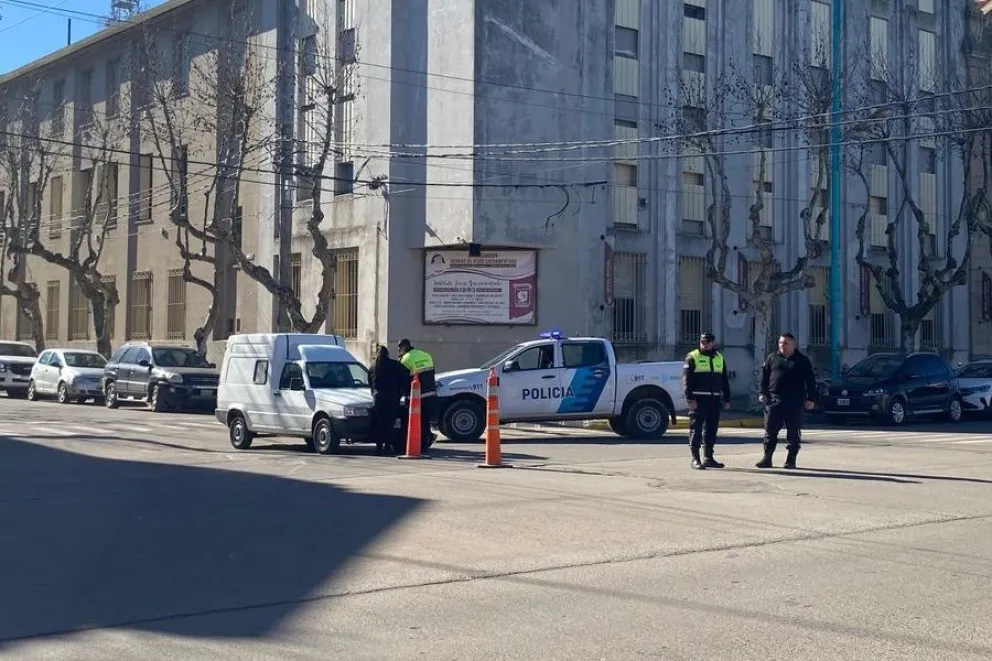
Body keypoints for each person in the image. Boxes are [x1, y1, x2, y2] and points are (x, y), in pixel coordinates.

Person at [757, 332, 818, 469]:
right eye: (780, 343)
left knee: (793, 431)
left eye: (785, 343)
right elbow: (764, 377)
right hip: (774, 400)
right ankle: (767, 458)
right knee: (770, 430)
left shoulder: (802, 360)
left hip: (794, 401)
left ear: (793, 344)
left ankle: (791, 460)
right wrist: (762, 392)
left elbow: (810, 381)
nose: (782, 345)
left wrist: (811, 399)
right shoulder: (772, 357)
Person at [682, 332, 732, 470]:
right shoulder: (692, 357)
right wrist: (689, 399)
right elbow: (686, 380)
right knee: (696, 429)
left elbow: (724, 380)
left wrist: (727, 398)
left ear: (713, 343)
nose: (704, 344)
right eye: (702, 342)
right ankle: (695, 459)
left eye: (707, 342)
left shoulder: (719, 357)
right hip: (698, 399)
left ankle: (708, 458)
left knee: (711, 429)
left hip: (714, 399)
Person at [368, 345, 408, 455]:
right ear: (387, 354)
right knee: (390, 423)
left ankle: (378, 447)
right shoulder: (395, 365)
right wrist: (401, 392)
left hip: (378, 397)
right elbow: (405, 377)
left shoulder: (373, 367)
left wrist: (374, 394)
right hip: (392, 397)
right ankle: (387, 446)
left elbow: (370, 384)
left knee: (379, 423)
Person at [397, 338, 436, 446]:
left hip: (416, 396)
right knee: (425, 419)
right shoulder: (426, 355)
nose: (398, 350)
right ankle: (427, 438)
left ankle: (418, 442)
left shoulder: (405, 359)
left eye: (399, 347)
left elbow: (402, 379)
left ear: (404, 347)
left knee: (414, 421)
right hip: (430, 394)